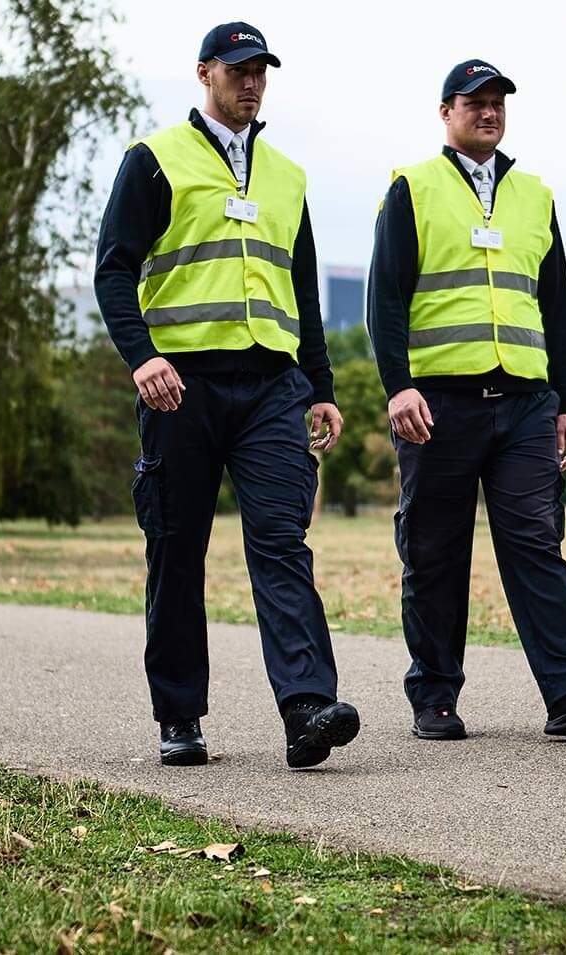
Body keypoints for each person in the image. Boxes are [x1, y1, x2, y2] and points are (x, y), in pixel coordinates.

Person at [93, 21, 359, 769]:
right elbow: (114, 270)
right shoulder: (155, 161)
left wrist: (321, 387)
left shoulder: (287, 176)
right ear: (204, 73)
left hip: (274, 387)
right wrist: (142, 358)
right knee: (178, 549)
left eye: (261, 72)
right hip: (182, 385)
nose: (252, 83)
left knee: (282, 541)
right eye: (238, 70)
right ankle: (179, 715)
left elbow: (302, 293)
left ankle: (307, 707)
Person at [368, 59, 566, 741]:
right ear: (445, 111)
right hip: (439, 405)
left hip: (523, 403)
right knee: (433, 551)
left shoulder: (535, 196)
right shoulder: (412, 188)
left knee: (536, 540)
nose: (488, 112)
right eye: (474, 102)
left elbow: (557, 308)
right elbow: (386, 299)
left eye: (497, 103)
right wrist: (398, 385)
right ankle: (435, 695)